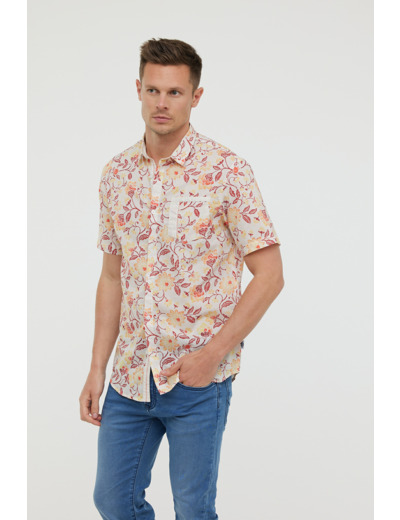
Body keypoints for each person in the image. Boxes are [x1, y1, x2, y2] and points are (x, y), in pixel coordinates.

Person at [79, 37, 284, 520]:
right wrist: (96, 368)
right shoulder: (116, 174)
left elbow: (270, 276)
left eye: (174, 92)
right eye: (153, 90)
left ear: (196, 96)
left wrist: (211, 356)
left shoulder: (227, 171)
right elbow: (111, 278)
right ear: (138, 89)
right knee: (113, 500)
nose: (162, 103)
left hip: (198, 380)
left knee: (193, 510)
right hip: (130, 376)